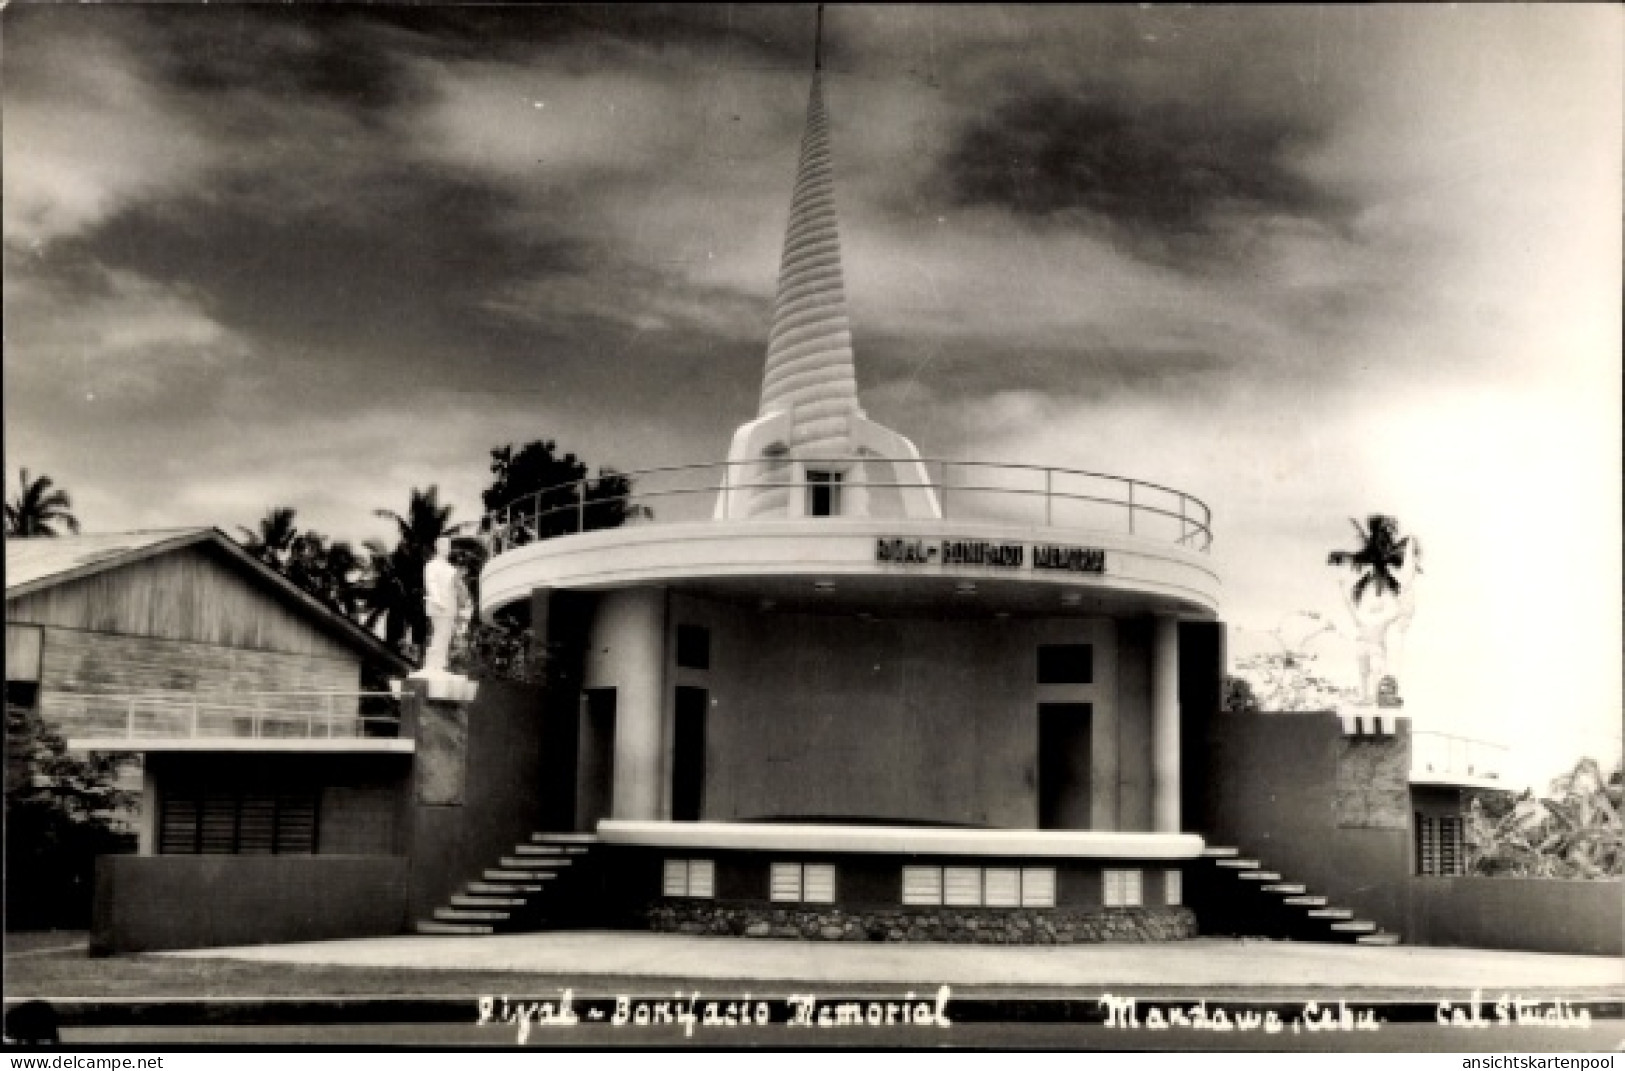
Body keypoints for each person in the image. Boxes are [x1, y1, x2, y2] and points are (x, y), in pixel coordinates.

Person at [1337, 533, 1420, 706]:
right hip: (1368, 647)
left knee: (1376, 669)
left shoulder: (1384, 616)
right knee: (1367, 671)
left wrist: (1410, 559)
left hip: (1376, 648)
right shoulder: (1367, 617)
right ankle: (1368, 696)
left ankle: (1374, 695)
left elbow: (1403, 605)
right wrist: (1343, 588)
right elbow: (1351, 609)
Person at [418, 536, 470, 676]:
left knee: (446, 635)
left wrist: (462, 605)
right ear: (438, 547)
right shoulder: (432, 565)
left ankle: (440, 664)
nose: (447, 549)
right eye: (444, 546)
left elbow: (457, 587)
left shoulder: (451, 568)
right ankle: (432, 664)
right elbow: (431, 583)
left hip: (450, 605)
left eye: (448, 546)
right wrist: (437, 599)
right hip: (438, 605)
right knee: (440, 633)